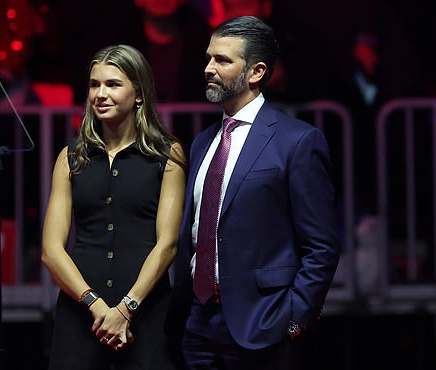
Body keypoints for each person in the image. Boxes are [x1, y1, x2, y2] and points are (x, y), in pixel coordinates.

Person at [166, 16, 341, 369]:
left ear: (256, 72)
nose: (208, 68)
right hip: (197, 323)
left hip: (263, 324)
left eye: (223, 60)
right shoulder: (204, 142)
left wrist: (295, 322)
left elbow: (321, 246)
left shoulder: (297, 141)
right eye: (208, 58)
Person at [42, 44, 186, 370]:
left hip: (146, 311)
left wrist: (125, 309)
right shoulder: (71, 157)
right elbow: (51, 250)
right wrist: (96, 306)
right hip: (81, 314)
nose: (100, 94)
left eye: (113, 84)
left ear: (139, 93)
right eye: (95, 84)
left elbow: (168, 244)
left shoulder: (167, 154)